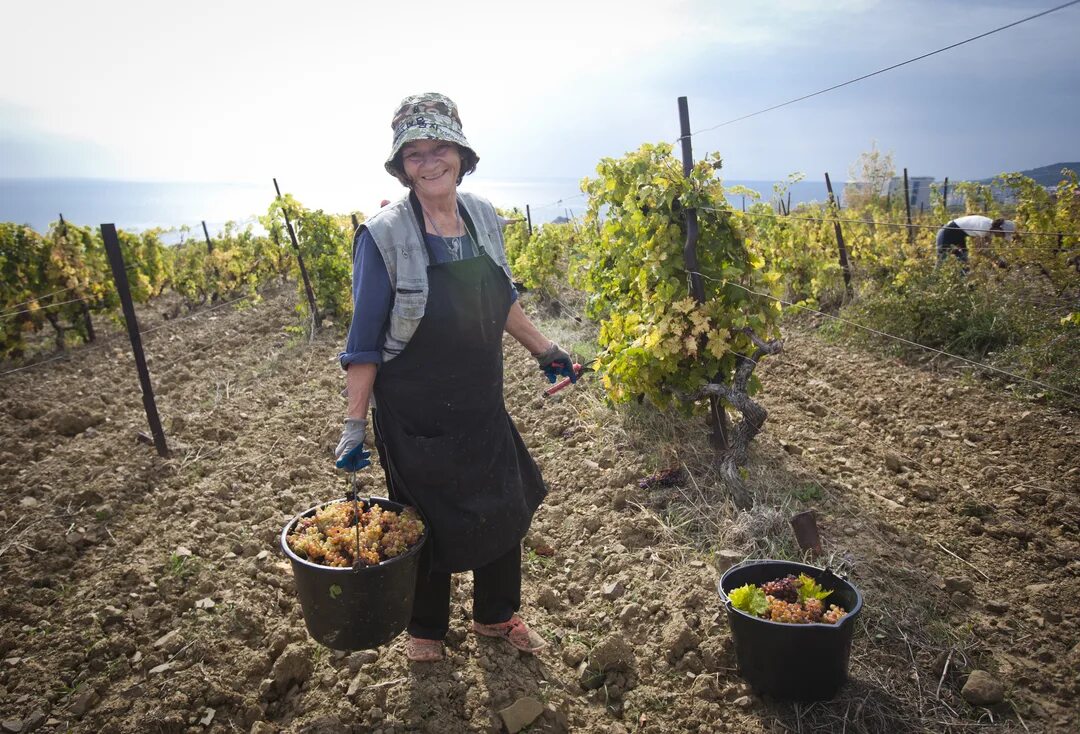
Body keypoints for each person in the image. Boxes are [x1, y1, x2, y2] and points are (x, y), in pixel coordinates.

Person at [335, 92, 577, 663]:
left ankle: (496, 617)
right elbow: (364, 342)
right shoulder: (383, 236)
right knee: (423, 524)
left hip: (479, 400)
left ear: (461, 154)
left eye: (438, 147)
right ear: (401, 166)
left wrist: (546, 349)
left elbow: (499, 298)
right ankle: (426, 632)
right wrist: (353, 426)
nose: (428, 162)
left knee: (503, 507)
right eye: (413, 154)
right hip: (415, 411)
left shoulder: (483, 217)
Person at [935, 214, 1015, 267]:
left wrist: (998, 261)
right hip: (945, 233)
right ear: (1000, 229)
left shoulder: (990, 231)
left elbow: (987, 249)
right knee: (940, 263)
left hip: (958, 238)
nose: (1001, 237)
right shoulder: (984, 227)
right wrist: (999, 261)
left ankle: (963, 286)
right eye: (1003, 235)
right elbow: (981, 250)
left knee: (964, 263)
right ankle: (931, 285)